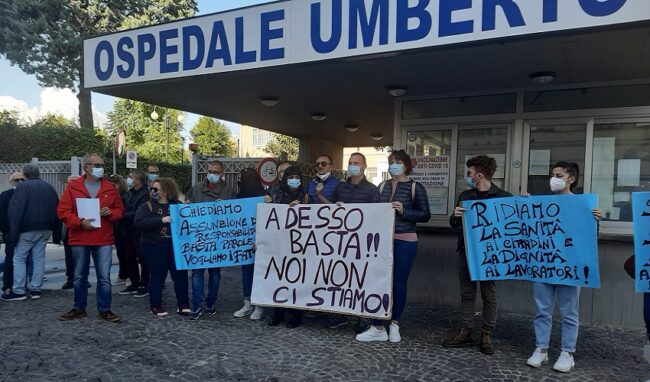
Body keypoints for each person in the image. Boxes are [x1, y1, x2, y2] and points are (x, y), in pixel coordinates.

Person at [526, 162, 602, 372]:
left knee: (569, 311)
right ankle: (541, 349)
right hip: (545, 264)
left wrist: (595, 220)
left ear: (571, 179)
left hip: (570, 266)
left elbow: (587, 240)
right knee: (542, 310)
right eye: (552, 174)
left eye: (558, 175)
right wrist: (521, 206)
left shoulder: (583, 205)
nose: (554, 178)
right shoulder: (542, 203)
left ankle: (567, 352)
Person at [356, 150, 430, 343]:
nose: (393, 165)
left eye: (397, 162)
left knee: (398, 282)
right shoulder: (382, 186)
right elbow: (372, 211)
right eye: (391, 162)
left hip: (405, 241)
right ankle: (378, 326)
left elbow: (425, 214)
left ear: (406, 165)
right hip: (382, 241)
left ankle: (395, 324)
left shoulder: (416, 187)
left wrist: (405, 211)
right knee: (379, 281)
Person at [443, 155, 511, 355]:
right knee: (467, 293)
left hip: (490, 255)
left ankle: (486, 334)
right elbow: (454, 225)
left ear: (479, 175)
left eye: (470, 173)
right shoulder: (465, 196)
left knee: (489, 295)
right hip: (467, 252)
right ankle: (466, 331)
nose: (468, 176)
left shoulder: (504, 197)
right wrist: (454, 217)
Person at [57, 154, 124, 322]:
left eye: (102, 164)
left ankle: (105, 309)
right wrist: (79, 222)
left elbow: (120, 210)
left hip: (103, 239)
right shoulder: (73, 188)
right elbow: (63, 211)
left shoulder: (109, 187)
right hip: (80, 238)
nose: (101, 167)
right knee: (79, 276)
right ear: (86, 167)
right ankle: (79, 307)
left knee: (104, 277)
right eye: (97, 164)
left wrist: (111, 213)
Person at [320, 152, 380, 331]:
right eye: (350, 162)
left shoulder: (372, 190)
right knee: (340, 277)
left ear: (364, 167)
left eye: (356, 163)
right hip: (341, 243)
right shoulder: (341, 188)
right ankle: (339, 315)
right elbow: (333, 212)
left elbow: (377, 217)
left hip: (362, 243)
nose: (353, 165)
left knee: (362, 280)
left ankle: (363, 317)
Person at [2, 164, 60, 301]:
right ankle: (35, 289)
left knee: (19, 258)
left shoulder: (22, 187)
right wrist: (56, 234)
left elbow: (16, 212)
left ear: (25, 175)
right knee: (39, 258)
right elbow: (57, 209)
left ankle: (18, 290)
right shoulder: (49, 187)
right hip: (45, 229)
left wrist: (13, 234)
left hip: (27, 229)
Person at [134, 178, 190, 316]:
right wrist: (160, 220)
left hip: (175, 246)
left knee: (180, 275)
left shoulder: (177, 204)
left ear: (166, 191)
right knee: (158, 276)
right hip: (154, 246)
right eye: (152, 189)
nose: (153, 192)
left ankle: (183, 304)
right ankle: (156, 305)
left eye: (156, 189)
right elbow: (139, 222)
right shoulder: (147, 206)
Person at [186, 160, 234, 320]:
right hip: (198, 237)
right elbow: (186, 206)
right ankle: (197, 304)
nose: (212, 174)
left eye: (215, 172)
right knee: (197, 272)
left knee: (215, 272)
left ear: (222, 174)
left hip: (217, 238)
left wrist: (226, 206)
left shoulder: (229, 191)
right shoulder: (196, 189)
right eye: (210, 171)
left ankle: (211, 302)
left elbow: (234, 215)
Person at [269, 165, 306, 328]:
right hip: (279, 241)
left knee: (296, 278)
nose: (294, 180)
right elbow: (269, 216)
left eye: (297, 177)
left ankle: (296, 315)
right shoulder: (276, 192)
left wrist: (302, 207)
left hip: (299, 243)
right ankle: (278, 313)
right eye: (290, 177)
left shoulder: (305, 195)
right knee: (279, 277)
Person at [233, 168, 271, 320]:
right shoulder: (239, 197)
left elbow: (269, 221)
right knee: (247, 271)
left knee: (258, 272)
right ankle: (248, 301)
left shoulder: (265, 197)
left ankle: (259, 304)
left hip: (260, 242)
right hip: (245, 242)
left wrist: (260, 239)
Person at [119, 169, 150, 298]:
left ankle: (144, 284)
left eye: (131, 176)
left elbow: (139, 212)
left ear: (138, 179)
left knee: (142, 258)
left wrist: (121, 215)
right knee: (129, 257)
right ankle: (134, 282)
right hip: (127, 229)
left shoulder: (146, 194)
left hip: (140, 230)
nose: (129, 179)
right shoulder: (129, 193)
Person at [0, 172, 25, 293]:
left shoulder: (5, 195)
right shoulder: (28, 194)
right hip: (23, 231)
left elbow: (2, 215)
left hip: (11, 232)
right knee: (22, 259)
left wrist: (5, 231)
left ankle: (8, 285)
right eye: (19, 179)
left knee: (11, 259)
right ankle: (20, 284)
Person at [107, 175, 129, 286]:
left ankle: (125, 275)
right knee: (121, 253)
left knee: (124, 252)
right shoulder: (119, 195)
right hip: (118, 228)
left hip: (123, 228)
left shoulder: (124, 196)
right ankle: (124, 275)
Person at [60, 175, 81, 290]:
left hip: (79, 229)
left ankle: (80, 278)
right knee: (69, 257)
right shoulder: (65, 195)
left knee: (81, 257)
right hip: (68, 230)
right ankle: (71, 278)